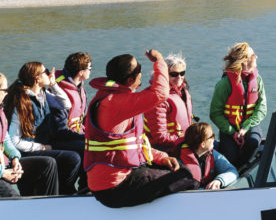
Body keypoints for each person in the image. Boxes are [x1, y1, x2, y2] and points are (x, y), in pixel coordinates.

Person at [84, 50, 194, 207]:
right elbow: (160, 94)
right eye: (139, 70)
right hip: (115, 188)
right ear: (130, 80)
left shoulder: (110, 97)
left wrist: (161, 157)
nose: (141, 73)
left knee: (175, 166)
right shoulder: (115, 102)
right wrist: (160, 61)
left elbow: (134, 145)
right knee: (186, 177)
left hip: (112, 181)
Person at [3, 61, 83, 195]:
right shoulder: (22, 102)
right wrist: (42, 148)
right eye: (45, 72)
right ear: (37, 78)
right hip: (29, 149)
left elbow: (66, 104)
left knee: (82, 149)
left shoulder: (43, 94)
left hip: (46, 143)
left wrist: (54, 84)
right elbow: (14, 140)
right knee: (72, 158)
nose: (50, 74)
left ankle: (67, 190)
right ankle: (63, 192)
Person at [209, 42, 267, 168]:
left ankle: (241, 169)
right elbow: (215, 113)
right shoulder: (224, 84)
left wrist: (246, 127)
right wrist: (232, 132)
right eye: (253, 55)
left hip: (249, 126)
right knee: (230, 158)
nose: (256, 57)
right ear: (245, 60)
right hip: (229, 128)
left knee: (253, 142)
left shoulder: (257, 80)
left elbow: (262, 108)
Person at [144, 53, 195, 155]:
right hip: (164, 150)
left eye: (182, 73)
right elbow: (160, 137)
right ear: (164, 75)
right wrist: (188, 141)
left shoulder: (182, 92)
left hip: (182, 143)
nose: (179, 77)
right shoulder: (158, 99)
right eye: (174, 74)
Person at [179, 122, 238, 190]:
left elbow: (232, 171)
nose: (214, 139)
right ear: (203, 144)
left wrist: (219, 181)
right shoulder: (180, 161)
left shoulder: (212, 154)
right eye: (212, 136)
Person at [53, 52, 92, 134]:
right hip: (65, 135)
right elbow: (60, 128)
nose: (90, 71)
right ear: (81, 72)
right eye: (89, 68)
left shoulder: (79, 87)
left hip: (79, 130)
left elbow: (84, 116)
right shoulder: (61, 92)